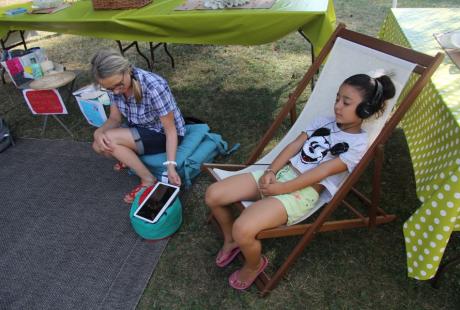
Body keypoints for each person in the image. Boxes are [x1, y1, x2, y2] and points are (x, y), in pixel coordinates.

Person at [205, 74, 396, 290]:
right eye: (337, 98)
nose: (337, 106)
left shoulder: (358, 145)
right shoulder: (323, 121)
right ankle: (230, 239)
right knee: (214, 194)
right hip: (282, 175)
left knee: (244, 228)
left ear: (366, 110)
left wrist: (281, 189)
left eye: (346, 102)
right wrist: (271, 171)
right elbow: (293, 146)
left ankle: (254, 264)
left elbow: (319, 173)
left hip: (300, 193)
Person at [90, 49, 186, 203]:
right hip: (140, 127)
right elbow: (114, 118)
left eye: (118, 85)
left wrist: (170, 166)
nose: (115, 91)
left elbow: (171, 130)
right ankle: (127, 155)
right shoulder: (112, 83)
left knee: (110, 140)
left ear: (127, 70)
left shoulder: (154, 86)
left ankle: (148, 180)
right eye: (109, 89)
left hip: (162, 133)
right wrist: (98, 132)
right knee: (98, 145)